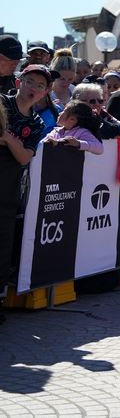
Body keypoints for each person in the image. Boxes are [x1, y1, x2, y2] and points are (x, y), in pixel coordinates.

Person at [0, 64, 49, 315]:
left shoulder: (38, 123)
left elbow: (24, 157)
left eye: (40, 86)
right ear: (20, 82)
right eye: (30, 82)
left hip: (7, 192)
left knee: (3, 246)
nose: (34, 88)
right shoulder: (2, 104)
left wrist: (8, 139)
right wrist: (13, 143)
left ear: (44, 93)